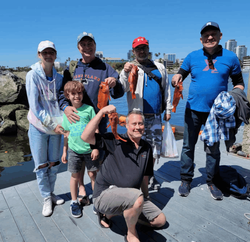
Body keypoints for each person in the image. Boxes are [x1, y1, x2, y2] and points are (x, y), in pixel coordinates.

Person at [171, 21, 245, 200]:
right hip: (193, 109)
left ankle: (212, 181)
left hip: (217, 113)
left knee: (213, 147)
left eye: (213, 34)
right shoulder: (192, 56)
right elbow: (181, 73)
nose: (209, 37)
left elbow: (239, 84)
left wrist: (233, 97)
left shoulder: (231, 58)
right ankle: (186, 180)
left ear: (220, 36)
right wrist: (176, 76)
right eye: (206, 35)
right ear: (201, 39)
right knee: (188, 146)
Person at [81, 105, 166, 242]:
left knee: (160, 221)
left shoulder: (147, 148)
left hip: (132, 196)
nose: (137, 127)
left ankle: (126, 215)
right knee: (136, 198)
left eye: (140, 124)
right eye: (133, 124)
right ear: (126, 125)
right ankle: (131, 233)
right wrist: (101, 112)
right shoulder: (114, 140)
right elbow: (85, 137)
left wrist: (146, 196)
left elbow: (145, 176)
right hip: (104, 194)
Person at [120, 36, 172, 190]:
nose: (141, 51)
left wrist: (168, 109)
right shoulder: (130, 68)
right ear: (133, 51)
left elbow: (166, 89)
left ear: (148, 49)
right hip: (137, 116)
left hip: (155, 115)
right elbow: (122, 88)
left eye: (144, 48)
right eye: (138, 48)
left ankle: (149, 174)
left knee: (154, 149)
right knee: (136, 147)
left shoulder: (160, 67)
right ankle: (136, 176)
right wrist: (124, 72)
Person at [26, 40, 65, 217]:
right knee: (41, 165)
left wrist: (64, 123)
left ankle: (51, 192)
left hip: (56, 127)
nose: (48, 55)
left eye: (51, 52)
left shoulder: (60, 77)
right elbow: (35, 106)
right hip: (38, 127)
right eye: (44, 52)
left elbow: (62, 102)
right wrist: (52, 124)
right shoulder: (32, 75)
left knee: (54, 163)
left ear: (55, 55)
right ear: (39, 55)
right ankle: (45, 198)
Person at [58, 31, 124, 135]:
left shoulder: (105, 68)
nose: (87, 47)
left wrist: (115, 84)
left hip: (99, 122)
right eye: (83, 44)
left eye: (90, 44)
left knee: (98, 150)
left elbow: (118, 94)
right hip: (76, 120)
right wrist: (65, 107)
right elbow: (62, 93)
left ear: (95, 46)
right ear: (78, 47)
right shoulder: (71, 69)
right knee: (76, 150)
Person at [61, 81, 99, 218]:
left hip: (89, 149)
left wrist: (95, 147)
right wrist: (64, 151)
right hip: (73, 150)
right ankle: (74, 201)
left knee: (93, 175)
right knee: (74, 177)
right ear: (67, 96)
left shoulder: (89, 109)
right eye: (73, 94)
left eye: (79, 93)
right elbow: (66, 134)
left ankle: (97, 200)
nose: (77, 96)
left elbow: (96, 129)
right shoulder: (66, 113)